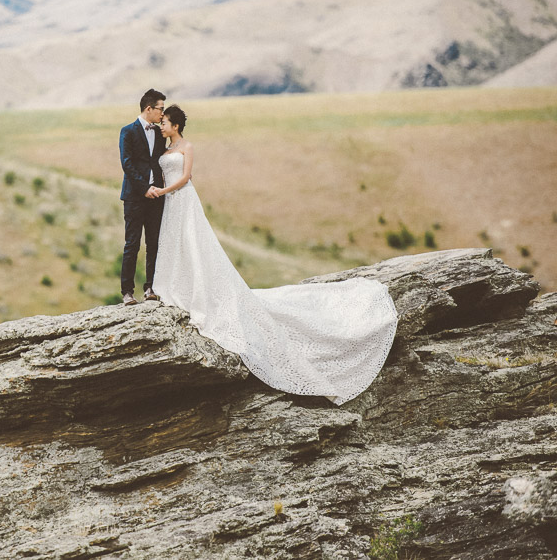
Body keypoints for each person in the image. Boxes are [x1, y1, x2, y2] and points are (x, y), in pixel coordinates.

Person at [149, 105, 398, 404]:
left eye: (164, 122)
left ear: (175, 125)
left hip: (182, 199)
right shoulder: (164, 148)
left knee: (194, 243)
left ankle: (199, 289)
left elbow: (186, 177)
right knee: (175, 245)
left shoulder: (187, 147)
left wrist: (162, 192)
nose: (161, 126)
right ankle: (178, 285)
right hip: (170, 205)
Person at [118, 88, 167, 306]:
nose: (162, 115)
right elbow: (126, 163)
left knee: (154, 242)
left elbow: (162, 159)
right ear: (149, 109)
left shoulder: (158, 133)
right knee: (132, 243)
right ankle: (127, 291)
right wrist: (144, 188)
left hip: (157, 197)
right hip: (134, 197)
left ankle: (151, 287)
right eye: (160, 110)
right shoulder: (127, 131)